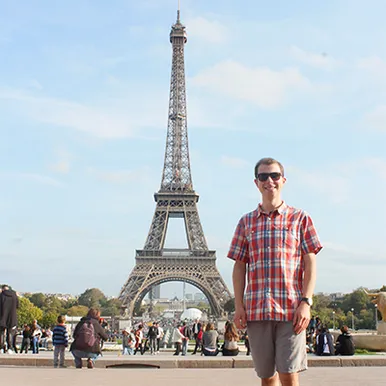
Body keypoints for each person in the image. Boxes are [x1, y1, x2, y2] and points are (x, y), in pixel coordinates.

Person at [228, 157, 322, 386]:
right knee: (267, 378)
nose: (269, 181)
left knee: (289, 375)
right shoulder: (245, 222)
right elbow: (239, 266)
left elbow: (310, 263)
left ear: (283, 180)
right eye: (263, 176)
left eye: (274, 176)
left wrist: (306, 302)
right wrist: (239, 306)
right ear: (256, 182)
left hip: (290, 310)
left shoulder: (301, 218)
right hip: (258, 310)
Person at [0, 284, 19, 354]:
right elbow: (17, 306)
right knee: (10, 333)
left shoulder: (1, 295)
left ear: (2, 289)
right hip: (12, 317)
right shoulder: (14, 296)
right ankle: (10, 348)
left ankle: (1, 348)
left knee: (1, 333)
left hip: (2, 317)